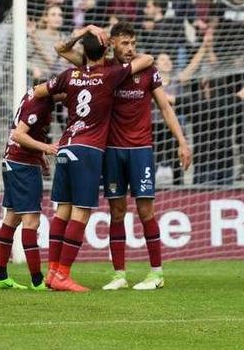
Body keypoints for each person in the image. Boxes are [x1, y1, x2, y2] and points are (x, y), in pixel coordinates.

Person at [56, 23, 191, 291]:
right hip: (112, 150)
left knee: (145, 210)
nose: (131, 49)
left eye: (133, 44)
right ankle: (119, 274)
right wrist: (85, 31)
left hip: (141, 149)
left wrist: (182, 142)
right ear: (112, 44)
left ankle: (156, 273)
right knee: (116, 212)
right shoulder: (100, 68)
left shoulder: (147, 71)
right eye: (125, 43)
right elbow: (61, 49)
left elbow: (164, 106)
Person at [34, 29, 153, 292]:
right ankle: (63, 275)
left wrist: (83, 32)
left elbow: (39, 90)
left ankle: (52, 272)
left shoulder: (69, 75)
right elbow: (147, 60)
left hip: (65, 145)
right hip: (88, 149)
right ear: (107, 51)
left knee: (62, 210)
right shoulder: (110, 76)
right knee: (81, 212)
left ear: (84, 52)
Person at [0, 89, 59, 290]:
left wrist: (40, 156)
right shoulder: (40, 103)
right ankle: (37, 281)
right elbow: (18, 134)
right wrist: (45, 148)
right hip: (22, 165)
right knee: (31, 220)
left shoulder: (32, 95)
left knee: (12, 218)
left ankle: (0, 275)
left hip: (14, 161)